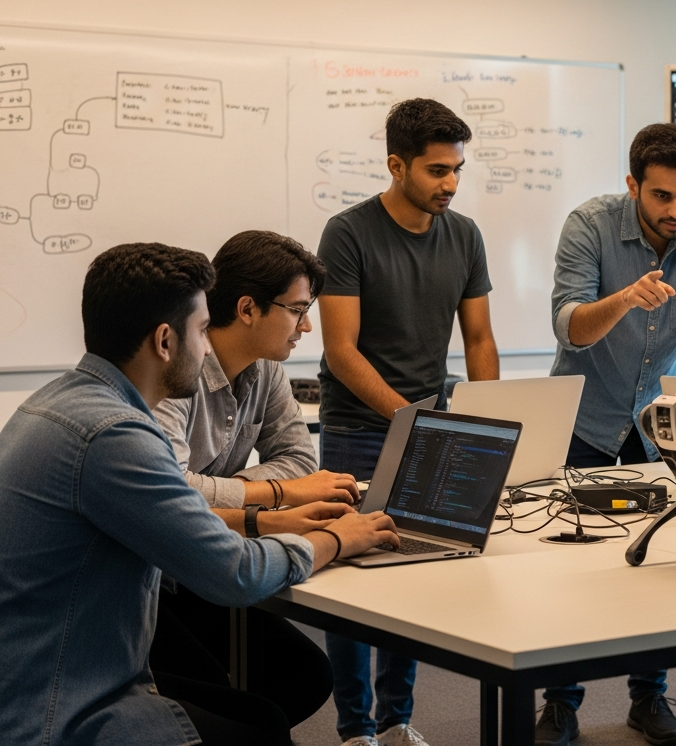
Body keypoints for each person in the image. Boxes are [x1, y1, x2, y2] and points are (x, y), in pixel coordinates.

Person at [0, 242, 398, 746]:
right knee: (262, 730)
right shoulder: (115, 434)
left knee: (268, 710)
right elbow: (237, 572)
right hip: (60, 700)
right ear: (165, 341)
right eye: (204, 330)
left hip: (57, 663)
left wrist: (261, 518)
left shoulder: (62, 399)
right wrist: (338, 539)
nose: (210, 347)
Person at [540, 123, 676, 746]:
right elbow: (570, 327)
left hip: (660, 421)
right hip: (585, 418)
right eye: (661, 197)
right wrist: (627, 297)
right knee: (572, 561)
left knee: (658, 558)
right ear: (633, 186)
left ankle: (648, 698)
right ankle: (561, 702)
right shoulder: (590, 225)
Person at [317, 97, 500, 746]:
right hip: (357, 430)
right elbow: (341, 350)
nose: (450, 183)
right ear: (397, 165)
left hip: (431, 427)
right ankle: (355, 729)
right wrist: (410, 420)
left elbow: (478, 339)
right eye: (436, 171)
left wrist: (491, 421)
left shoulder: (466, 235)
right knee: (351, 581)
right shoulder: (348, 232)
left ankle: (398, 721)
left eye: (457, 169)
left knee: (414, 572)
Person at [150, 230, 357, 732]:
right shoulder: (177, 370)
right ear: (247, 308)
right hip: (160, 578)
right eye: (297, 309)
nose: (306, 326)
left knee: (305, 677)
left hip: (216, 547)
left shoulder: (266, 369)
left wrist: (236, 491)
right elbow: (171, 490)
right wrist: (276, 495)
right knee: (242, 709)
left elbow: (299, 457)